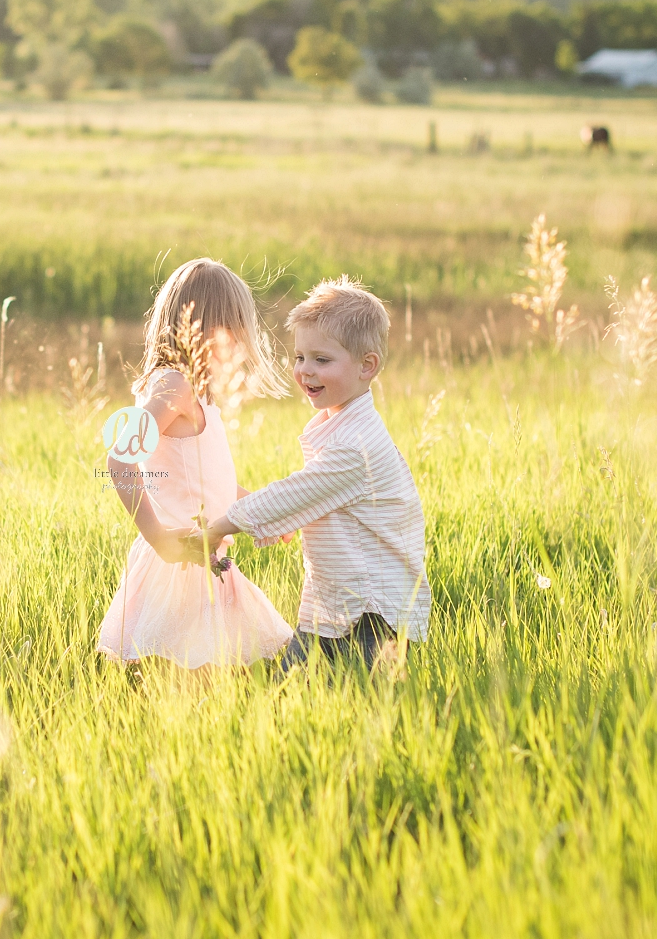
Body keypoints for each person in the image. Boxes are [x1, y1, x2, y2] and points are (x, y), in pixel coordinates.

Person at [178, 276, 430, 671]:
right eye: (299, 357)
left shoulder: (355, 445)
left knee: (354, 700)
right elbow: (309, 501)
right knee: (287, 693)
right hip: (334, 607)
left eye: (322, 360)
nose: (305, 371)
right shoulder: (340, 425)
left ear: (368, 366)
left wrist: (217, 527)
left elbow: (294, 494)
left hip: (373, 616)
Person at [96, 258, 294, 670]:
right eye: (233, 331)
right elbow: (120, 458)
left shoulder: (198, 394)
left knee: (217, 668)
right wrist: (158, 537)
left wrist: (262, 510)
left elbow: (209, 485)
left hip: (207, 557)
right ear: (204, 331)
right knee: (189, 669)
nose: (240, 345)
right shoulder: (176, 385)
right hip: (182, 561)